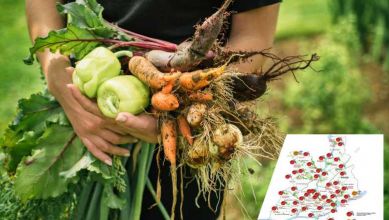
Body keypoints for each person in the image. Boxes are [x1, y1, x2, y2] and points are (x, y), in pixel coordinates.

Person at [26, 0, 280, 219]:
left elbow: (253, 36)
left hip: (190, 129)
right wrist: (55, 69)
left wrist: (186, 108)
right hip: (83, 113)